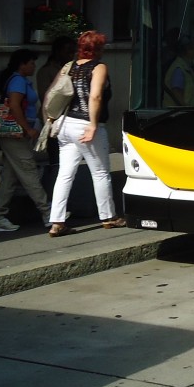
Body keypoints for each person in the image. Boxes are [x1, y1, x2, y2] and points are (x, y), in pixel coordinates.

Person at [48, 30, 126, 236]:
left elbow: (53, 93)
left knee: (65, 174)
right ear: (98, 49)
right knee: (100, 172)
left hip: (66, 124)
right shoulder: (99, 67)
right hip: (86, 123)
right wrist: (92, 124)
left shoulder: (69, 67)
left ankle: (57, 221)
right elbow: (96, 96)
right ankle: (108, 217)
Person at [0, 49, 51, 232]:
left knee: (10, 178)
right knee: (29, 171)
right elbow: (15, 106)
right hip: (16, 135)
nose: (34, 66)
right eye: (31, 62)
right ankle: (48, 213)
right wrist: (28, 129)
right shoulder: (18, 81)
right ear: (22, 64)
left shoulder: (17, 80)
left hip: (11, 134)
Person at [35, 35, 77, 193]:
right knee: (56, 159)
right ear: (58, 52)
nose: (71, 55)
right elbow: (46, 98)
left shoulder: (71, 68)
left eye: (73, 52)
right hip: (55, 120)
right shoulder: (47, 71)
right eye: (67, 52)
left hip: (70, 119)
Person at [163, 36, 194, 106]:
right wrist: (186, 109)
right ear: (186, 50)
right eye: (193, 48)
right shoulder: (179, 69)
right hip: (181, 115)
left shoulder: (188, 68)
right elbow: (177, 92)